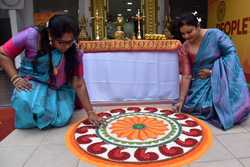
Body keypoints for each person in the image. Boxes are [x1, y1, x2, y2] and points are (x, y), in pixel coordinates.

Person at [0, 14, 102, 129]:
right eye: (61, 42)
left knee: (60, 119)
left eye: (70, 42)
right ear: (50, 35)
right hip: (33, 82)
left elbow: (78, 83)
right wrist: (15, 78)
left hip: (58, 88)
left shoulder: (74, 52)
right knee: (25, 102)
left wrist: (90, 112)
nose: (66, 47)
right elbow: (3, 53)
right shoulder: (31, 36)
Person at [176, 12, 250, 130]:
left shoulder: (215, 35)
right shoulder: (185, 46)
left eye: (189, 32)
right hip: (199, 82)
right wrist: (181, 100)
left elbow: (231, 55)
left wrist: (213, 72)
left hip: (220, 79)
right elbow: (186, 75)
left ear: (198, 26)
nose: (186, 36)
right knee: (192, 106)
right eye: (183, 34)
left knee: (219, 107)